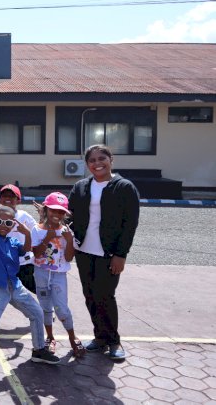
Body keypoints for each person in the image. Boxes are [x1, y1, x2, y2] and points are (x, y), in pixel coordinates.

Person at [0, 204, 59, 368]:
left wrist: (27, 233)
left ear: (13, 225)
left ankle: (39, 350)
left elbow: (27, 249)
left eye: (8, 223)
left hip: (14, 285)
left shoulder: (13, 241)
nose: (3, 226)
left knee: (37, 313)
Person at [69, 144, 140, 361]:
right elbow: (69, 215)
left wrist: (121, 254)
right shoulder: (81, 186)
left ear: (111, 160)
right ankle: (99, 337)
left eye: (102, 159)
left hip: (108, 253)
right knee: (89, 295)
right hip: (83, 251)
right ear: (87, 164)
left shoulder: (124, 187)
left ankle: (113, 340)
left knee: (105, 296)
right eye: (92, 160)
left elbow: (130, 224)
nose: (97, 164)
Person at [31, 192, 84, 358]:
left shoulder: (67, 232)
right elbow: (37, 254)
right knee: (45, 307)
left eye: (61, 212)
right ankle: (50, 337)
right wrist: (48, 237)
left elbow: (68, 257)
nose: (57, 214)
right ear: (46, 210)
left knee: (61, 308)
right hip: (41, 273)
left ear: (65, 214)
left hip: (59, 275)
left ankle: (72, 336)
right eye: (53, 210)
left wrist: (68, 240)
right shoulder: (37, 230)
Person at [0, 184, 38, 293]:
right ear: (0, 199)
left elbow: (37, 232)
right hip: (4, 264)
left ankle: (48, 308)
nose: (7, 199)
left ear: (18, 200)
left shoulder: (24, 215)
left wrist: (43, 217)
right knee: (2, 292)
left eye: (11, 196)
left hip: (25, 262)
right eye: (4, 196)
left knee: (35, 288)